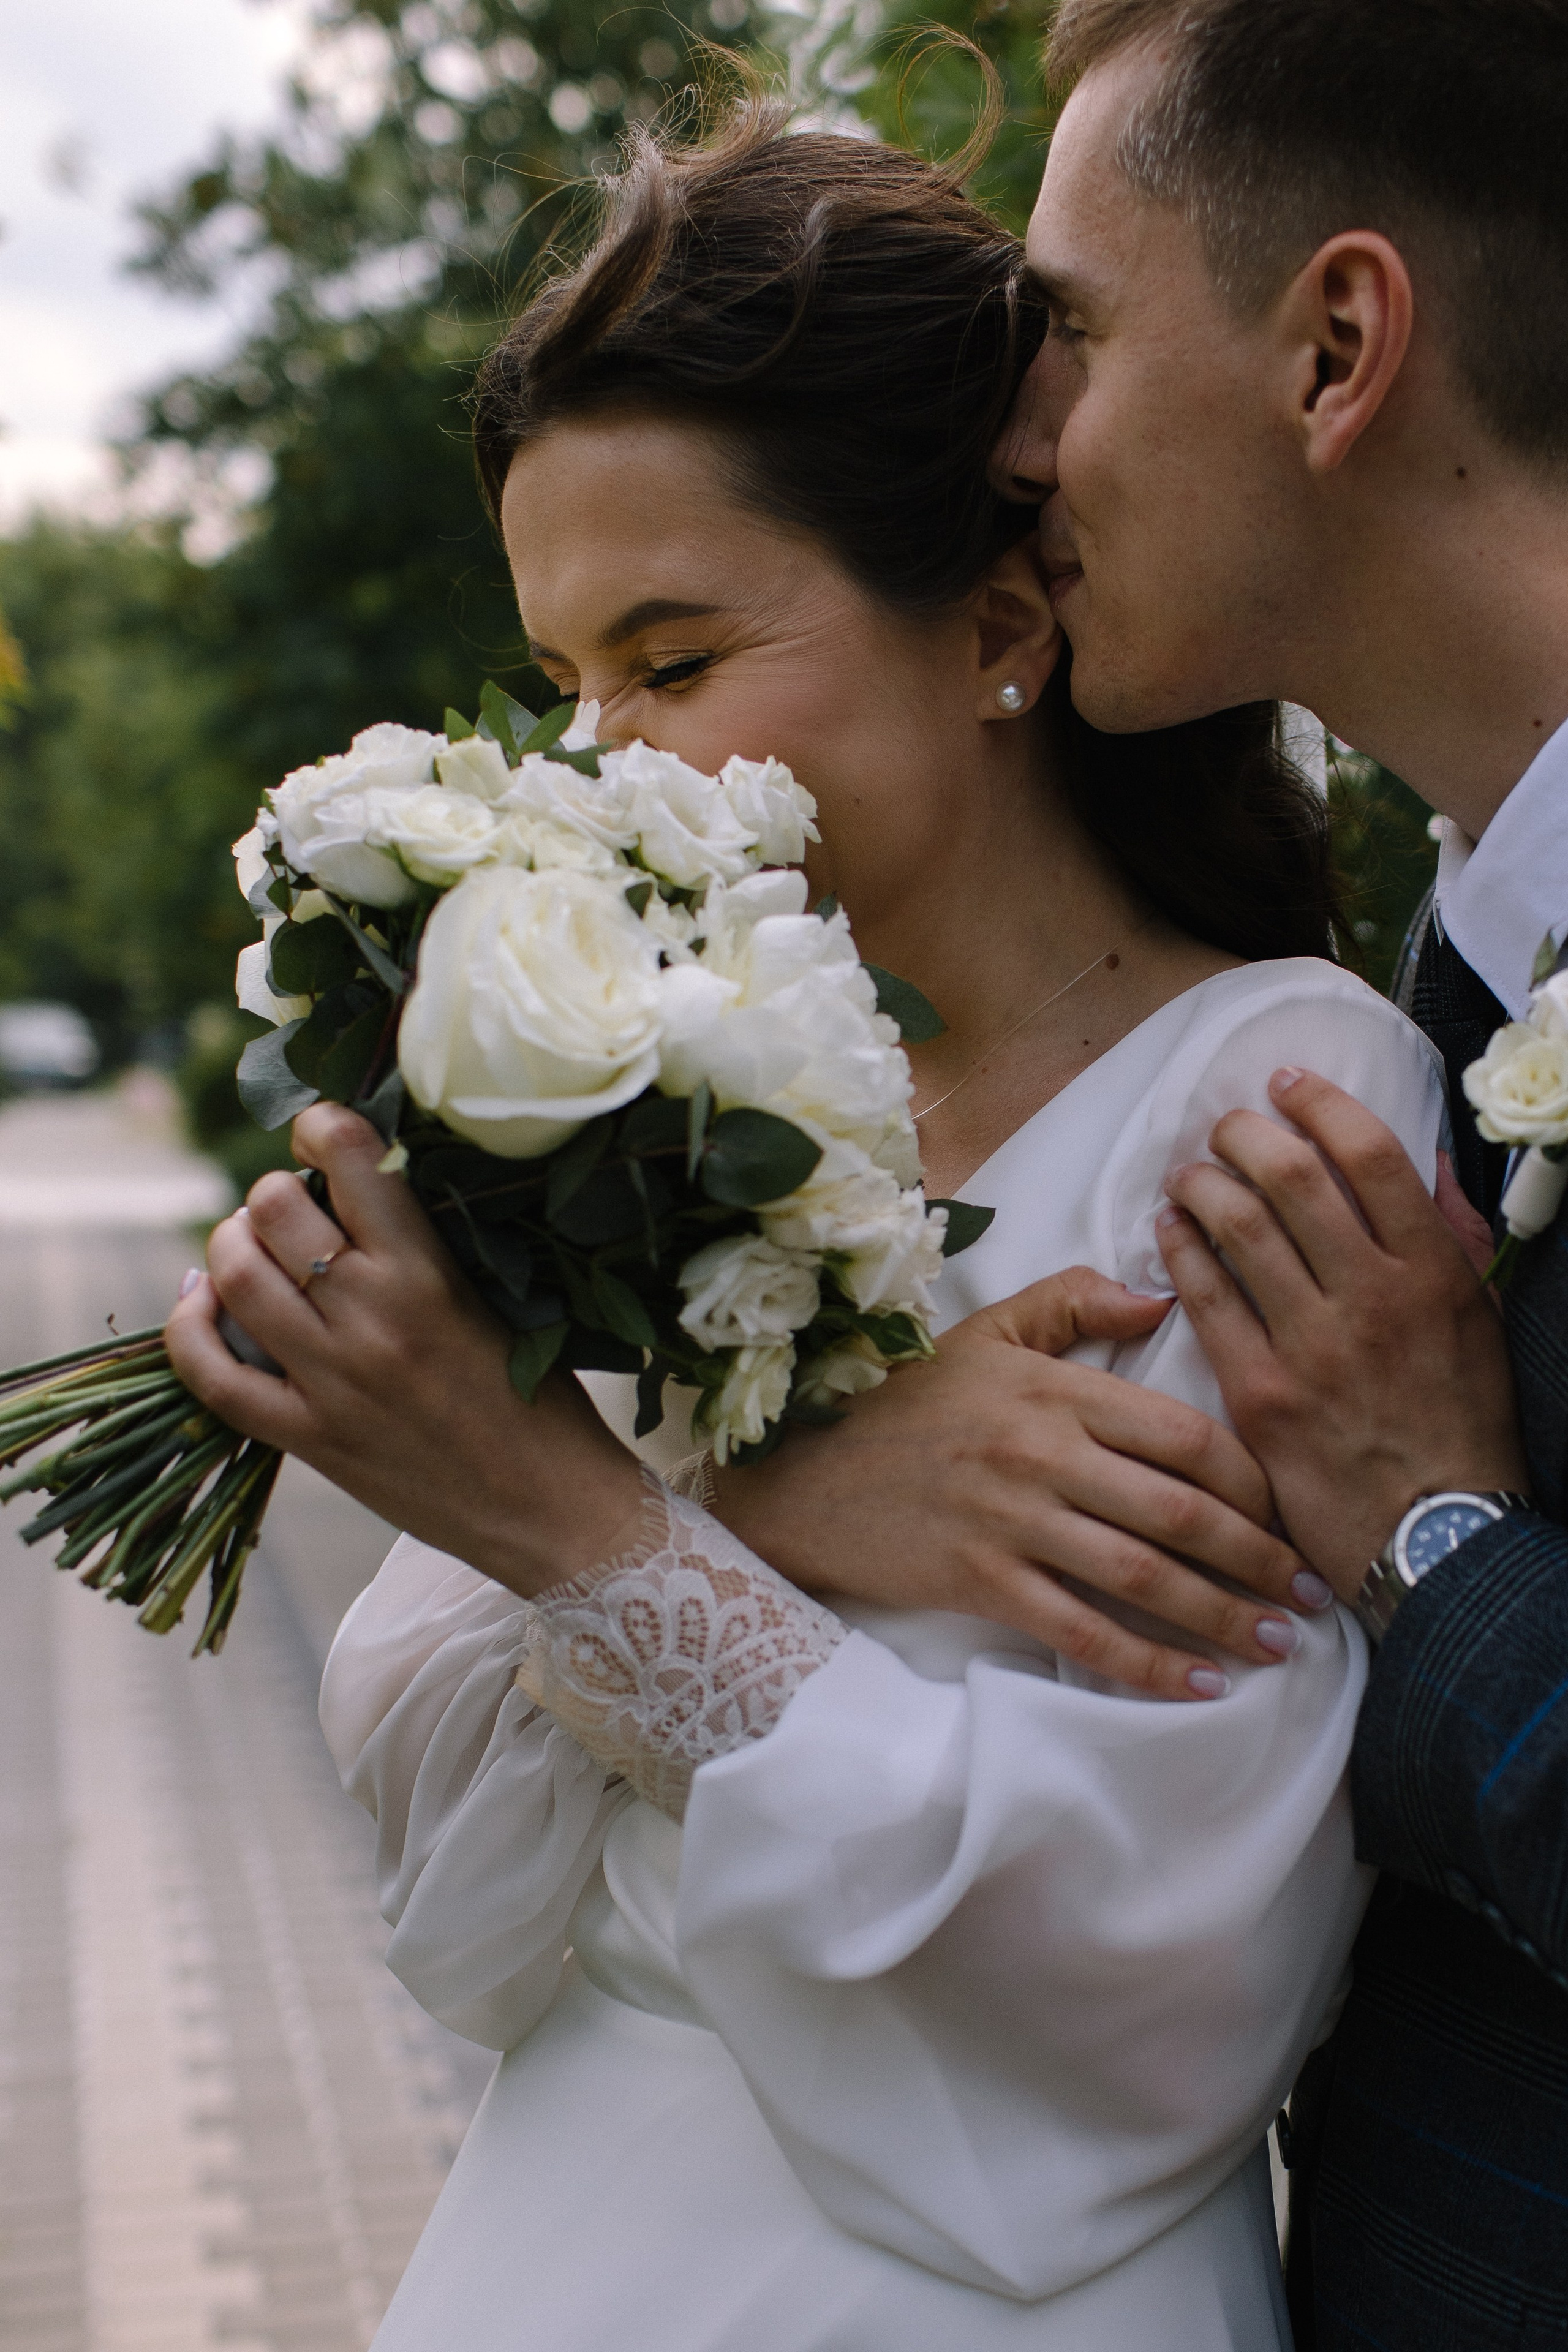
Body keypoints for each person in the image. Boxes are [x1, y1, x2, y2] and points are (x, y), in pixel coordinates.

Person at [167, 107, 1446, 2348]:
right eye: (563, 686)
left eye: (671, 662)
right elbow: (457, 1876)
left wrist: (595, 1527)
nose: (599, 771)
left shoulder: (1275, 1101)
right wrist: (757, 1498)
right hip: (562, 2224)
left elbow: (1170, 1971)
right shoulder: (681, 1113)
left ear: (994, 627)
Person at [983, 5, 1568, 2347]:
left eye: (1079, 338)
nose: (1021, 447)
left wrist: (1442, 1551)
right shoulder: (1445, 959)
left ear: (1338, 346)